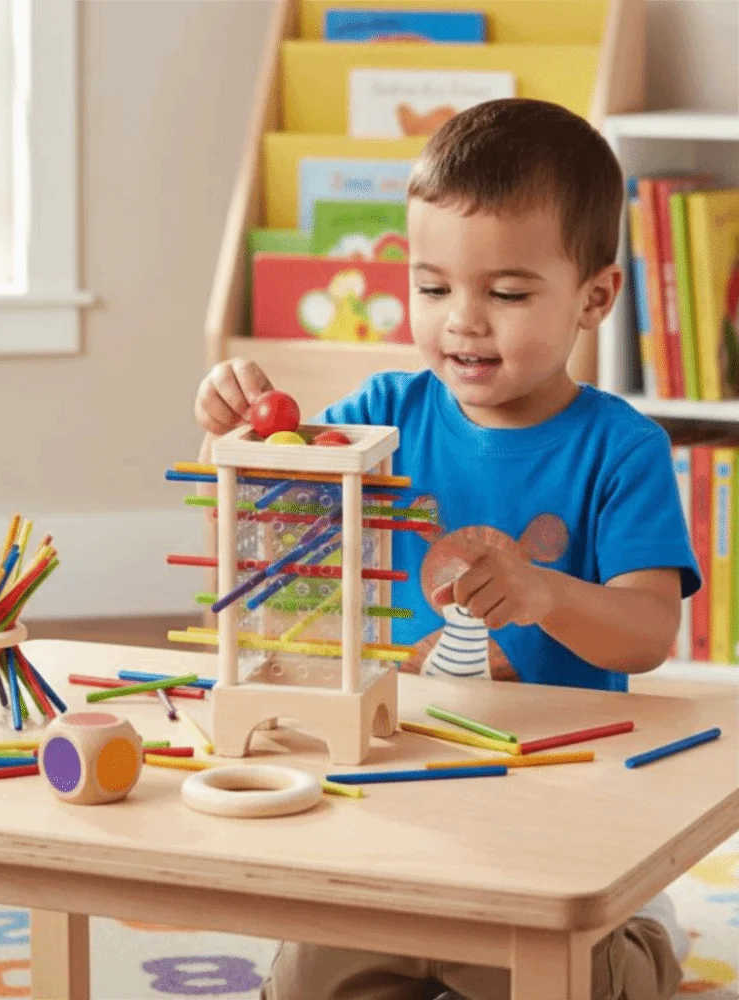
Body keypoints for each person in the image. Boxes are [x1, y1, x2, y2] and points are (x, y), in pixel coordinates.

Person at [193, 99, 698, 1000]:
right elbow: (261, 538)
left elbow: (647, 633)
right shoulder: (381, 412)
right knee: (309, 982)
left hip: (555, 804)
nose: (462, 321)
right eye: (432, 288)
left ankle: (641, 935)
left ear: (595, 296)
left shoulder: (622, 447)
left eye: (505, 293)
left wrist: (545, 595)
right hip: (399, 792)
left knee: (544, 980)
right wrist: (235, 440)